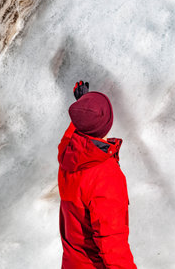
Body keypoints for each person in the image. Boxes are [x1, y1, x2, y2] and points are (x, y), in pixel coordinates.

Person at [57, 81, 137, 269]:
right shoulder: (106, 177)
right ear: (108, 124)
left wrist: (83, 106)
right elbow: (112, 244)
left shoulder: (68, 155)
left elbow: (72, 134)